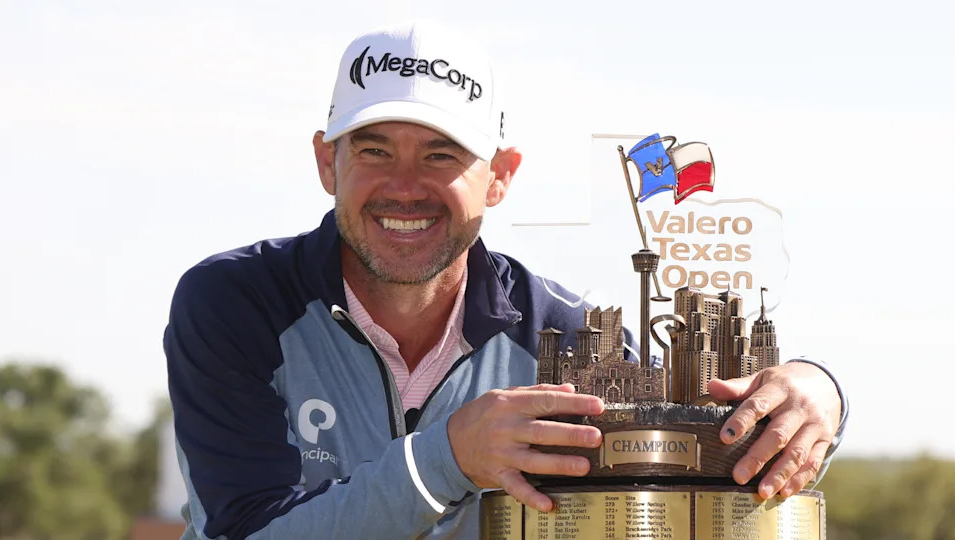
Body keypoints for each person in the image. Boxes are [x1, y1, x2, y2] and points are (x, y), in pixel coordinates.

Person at [165, 20, 848, 540]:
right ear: (326, 163)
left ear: (500, 176)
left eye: (442, 155)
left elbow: (702, 441)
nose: (405, 187)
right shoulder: (234, 304)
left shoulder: (566, 334)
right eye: (374, 150)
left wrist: (819, 393)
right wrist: (449, 459)